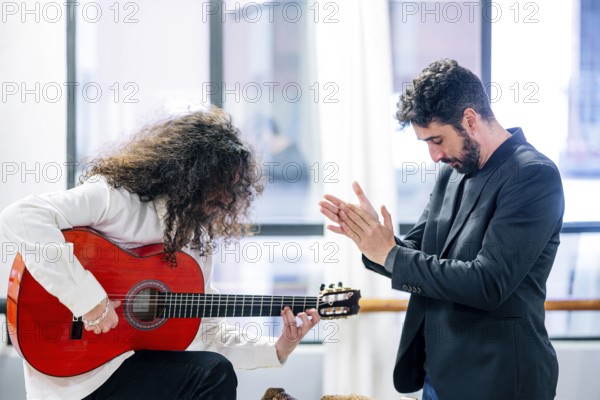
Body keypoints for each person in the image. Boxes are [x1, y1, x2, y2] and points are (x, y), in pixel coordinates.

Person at [0, 107, 320, 400]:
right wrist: (88, 301)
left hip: (133, 370)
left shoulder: (194, 240)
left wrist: (277, 347)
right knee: (214, 373)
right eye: (219, 185)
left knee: (211, 370)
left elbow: (205, 331)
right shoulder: (117, 199)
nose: (225, 198)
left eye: (233, 190)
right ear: (190, 174)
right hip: (74, 377)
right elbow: (22, 216)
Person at [320, 59, 564, 399]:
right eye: (426, 144)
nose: (434, 155)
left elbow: (488, 282)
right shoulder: (452, 172)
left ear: (469, 119)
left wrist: (389, 253)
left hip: (500, 379)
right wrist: (370, 239)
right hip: (438, 376)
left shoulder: (533, 176)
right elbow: (416, 252)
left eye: (437, 140)